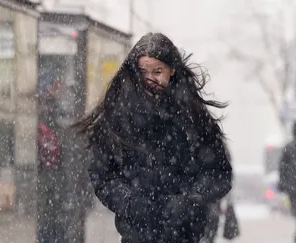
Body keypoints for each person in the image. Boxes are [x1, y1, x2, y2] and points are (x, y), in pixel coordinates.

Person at [74, 32, 232, 243]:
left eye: (158, 71)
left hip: (186, 235)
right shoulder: (118, 116)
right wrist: (129, 202)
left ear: (172, 71)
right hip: (137, 235)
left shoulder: (194, 117)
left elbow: (219, 173)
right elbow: (102, 175)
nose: (150, 79)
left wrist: (190, 201)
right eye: (143, 71)